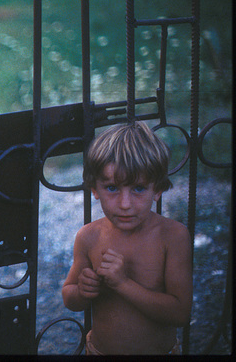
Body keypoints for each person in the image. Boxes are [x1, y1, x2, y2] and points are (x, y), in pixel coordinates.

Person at [62, 121, 193, 355]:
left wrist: (122, 284)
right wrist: (83, 291)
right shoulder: (89, 237)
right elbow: (69, 297)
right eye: (112, 188)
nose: (125, 204)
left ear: (158, 189)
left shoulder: (172, 237)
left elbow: (180, 313)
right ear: (94, 189)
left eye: (139, 189)